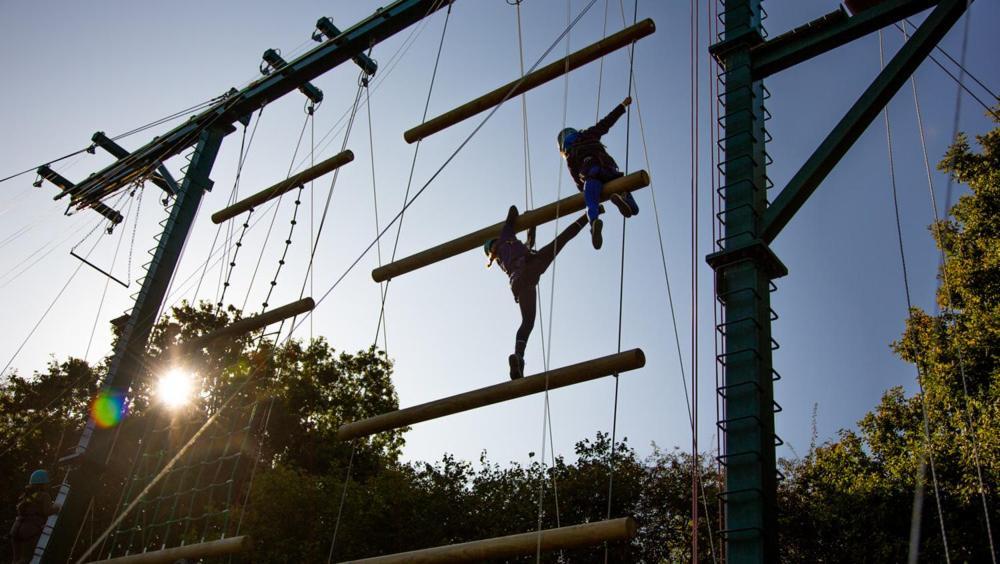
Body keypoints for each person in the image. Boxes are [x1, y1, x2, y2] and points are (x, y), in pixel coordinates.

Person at [486, 205, 589, 379]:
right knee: (560, 241)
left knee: (527, 322)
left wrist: (531, 224)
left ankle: (519, 357)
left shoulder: (501, 260)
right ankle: (587, 216)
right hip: (530, 268)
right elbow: (512, 211)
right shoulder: (505, 236)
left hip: (518, 282)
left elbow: (528, 244)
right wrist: (524, 218)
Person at [557, 96, 640, 249]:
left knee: (591, 202)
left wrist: (585, 190)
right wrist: (622, 106)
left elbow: (577, 179)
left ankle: (594, 222)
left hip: (591, 176)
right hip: (609, 170)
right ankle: (622, 197)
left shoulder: (570, 156)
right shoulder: (589, 134)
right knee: (634, 210)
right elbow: (606, 123)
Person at [10, 469, 60, 564]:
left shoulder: (26, 495)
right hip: (29, 531)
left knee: (15, 560)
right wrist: (57, 507)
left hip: (15, 528)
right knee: (25, 559)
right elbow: (47, 511)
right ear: (43, 484)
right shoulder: (44, 496)